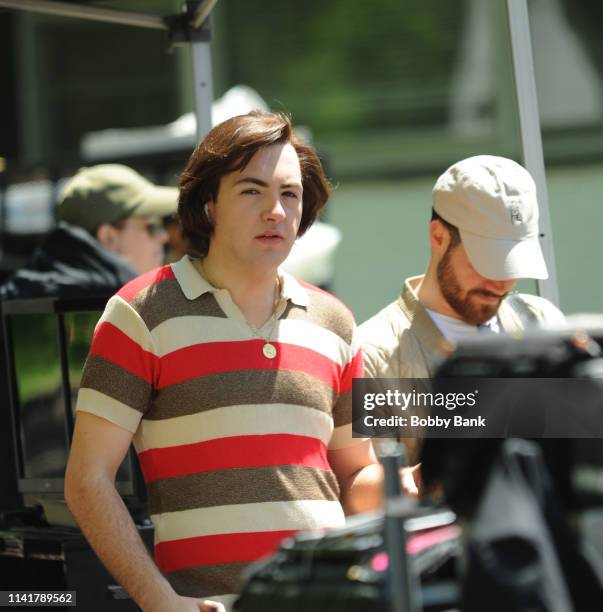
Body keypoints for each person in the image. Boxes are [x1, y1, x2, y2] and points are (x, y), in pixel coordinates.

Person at [64, 112, 383, 612]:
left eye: (290, 194)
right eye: (252, 191)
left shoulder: (337, 321)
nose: (275, 211)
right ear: (208, 203)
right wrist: (160, 601)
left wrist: (427, 477)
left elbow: (356, 474)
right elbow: (86, 479)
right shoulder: (139, 313)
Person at [359, 155, 565, 473]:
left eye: (513, 263)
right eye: (488, 260)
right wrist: (460, 464)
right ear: (438, 237)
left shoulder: (542, 323)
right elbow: (363, 491)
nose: (501, 282)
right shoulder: (373, 354)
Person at [0, 164, 174, 299]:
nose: (164, 237)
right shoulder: (115, 309)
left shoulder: (20, 294)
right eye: (151, 227)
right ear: (109, 237)